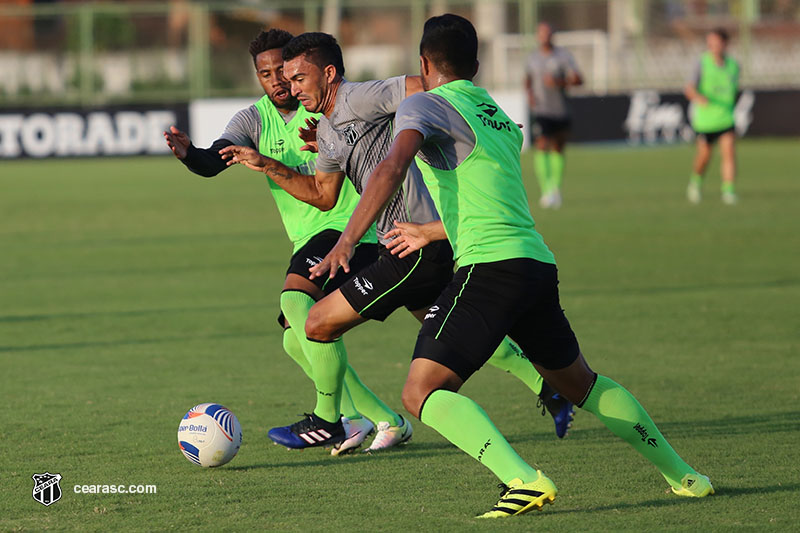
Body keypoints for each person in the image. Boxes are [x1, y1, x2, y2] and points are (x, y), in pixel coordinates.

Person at [309, 14, 714, 517]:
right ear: (476, 65)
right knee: (582, 385)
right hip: (535, 265)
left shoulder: (422, 103)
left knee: (421, 392)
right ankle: (687, 477)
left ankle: (522, 480)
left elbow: (392, 165)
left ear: (423, 63)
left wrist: (348, 239)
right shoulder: (495, 111)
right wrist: (431, 230)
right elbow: (489, 199)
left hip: (489, 269)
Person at [221, 32, 574, 450]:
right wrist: (268, 165)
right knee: (447, 327)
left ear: (329, 73)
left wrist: (472, 118)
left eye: (298, 77)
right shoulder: (328, 132)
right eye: (285, 78)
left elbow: (424, 83)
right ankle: (548, 387)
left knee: (313, 323)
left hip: (413, 245)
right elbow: (322, 194)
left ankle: (332, 420)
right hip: (414, 246)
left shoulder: (360, 97)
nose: (291, 87)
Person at [164, 29, 407, 455]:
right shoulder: (254, 120)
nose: (278, 81)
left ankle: (331, 421)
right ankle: (382, 419)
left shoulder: (333, 105)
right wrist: (189, 155)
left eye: (285, 71)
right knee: (296, 340)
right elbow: (213, 161)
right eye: (266, 73)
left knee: (295, 303)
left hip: (353, 231)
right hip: (311, 238)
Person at [524, 22, 582, 209]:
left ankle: (555, 189)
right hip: (542, 110)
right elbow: (528, 79)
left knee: (557, 148)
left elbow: (579, 79)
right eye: (541, 33)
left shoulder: (563, 56)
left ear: (552, 35)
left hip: (561, 109)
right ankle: (545, 190)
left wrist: (560, 81)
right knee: (542, 145)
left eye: (547, 33)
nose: (544, 37)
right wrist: (530, 95)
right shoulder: (532, 58)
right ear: (537, 36)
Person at [685, 28, 740, 205]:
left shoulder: (734, 66)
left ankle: (728, 190)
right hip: (705, 120)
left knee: (729, 152)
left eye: (717, 43)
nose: (713, 47)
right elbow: (689, 88)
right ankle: (696, 182)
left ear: (725, 44)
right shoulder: (701, 63)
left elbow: (734, 90)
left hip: (725, 117)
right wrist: (698, 97)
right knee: (705, 156)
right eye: (710, 44)